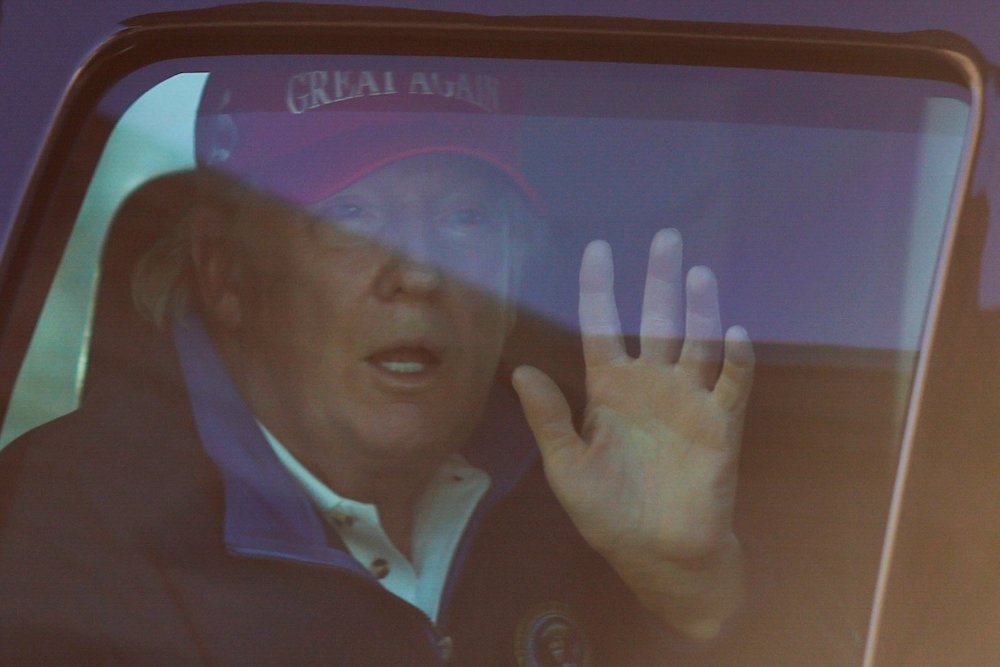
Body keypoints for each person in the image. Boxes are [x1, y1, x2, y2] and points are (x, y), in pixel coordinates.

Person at [0, 59, 754, 665]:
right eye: (350, 214)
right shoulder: (56, 544)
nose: (420, 270)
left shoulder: (593, 496)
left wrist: (692, 598)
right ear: (226, 271)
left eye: (465, 217)